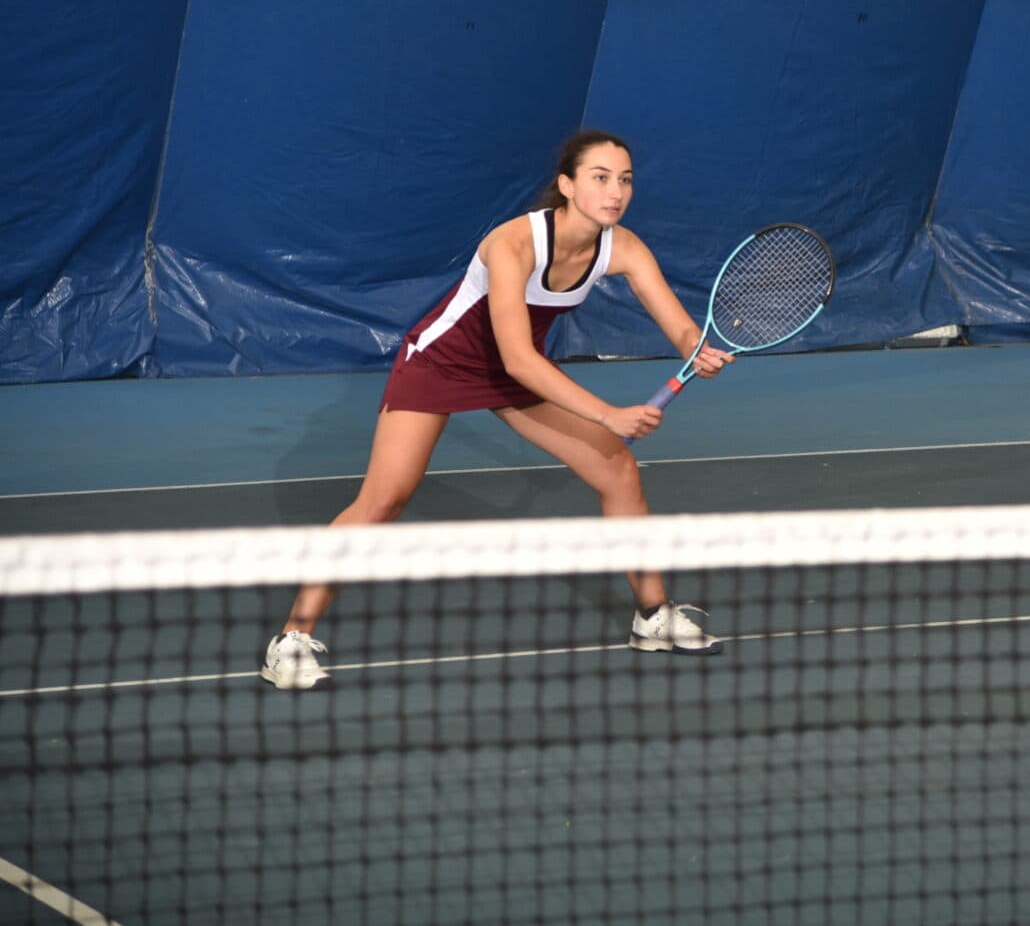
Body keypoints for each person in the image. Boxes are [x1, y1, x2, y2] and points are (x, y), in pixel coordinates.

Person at [261, 130, 733, 690]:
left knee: (617, 471)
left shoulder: (623, 247)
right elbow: (518, 359)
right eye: (600, 178)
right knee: (384, 498)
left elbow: (680, 327)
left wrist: (697, 350)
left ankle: (652, 617)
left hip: (516, 371)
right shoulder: (513, 243)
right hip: (443, 363)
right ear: (566, 185)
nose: (616, 192)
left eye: (625, 180)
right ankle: (291, 638)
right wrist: (607, 414)